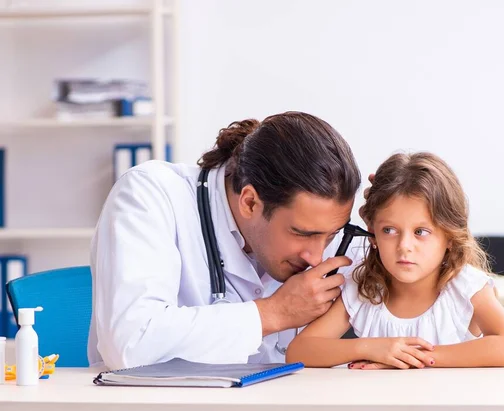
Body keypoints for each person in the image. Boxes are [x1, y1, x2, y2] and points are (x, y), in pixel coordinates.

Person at [87, 111, 364, 369]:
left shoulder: (331, 234)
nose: (316, 257)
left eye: (331, 235)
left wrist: (392, 219)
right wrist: (273, 314)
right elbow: (130, 344)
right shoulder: (150, 196)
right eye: (302, 234)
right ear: (250, 202)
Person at [286, 152, 504, 369]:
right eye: (389, 230)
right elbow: (299, 352)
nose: (404, 247)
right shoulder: (364, 287)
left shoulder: (465, 287)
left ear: (450, 236)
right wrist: (373, 348)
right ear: (373, 233)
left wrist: (410, 358)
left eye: (421, 232)